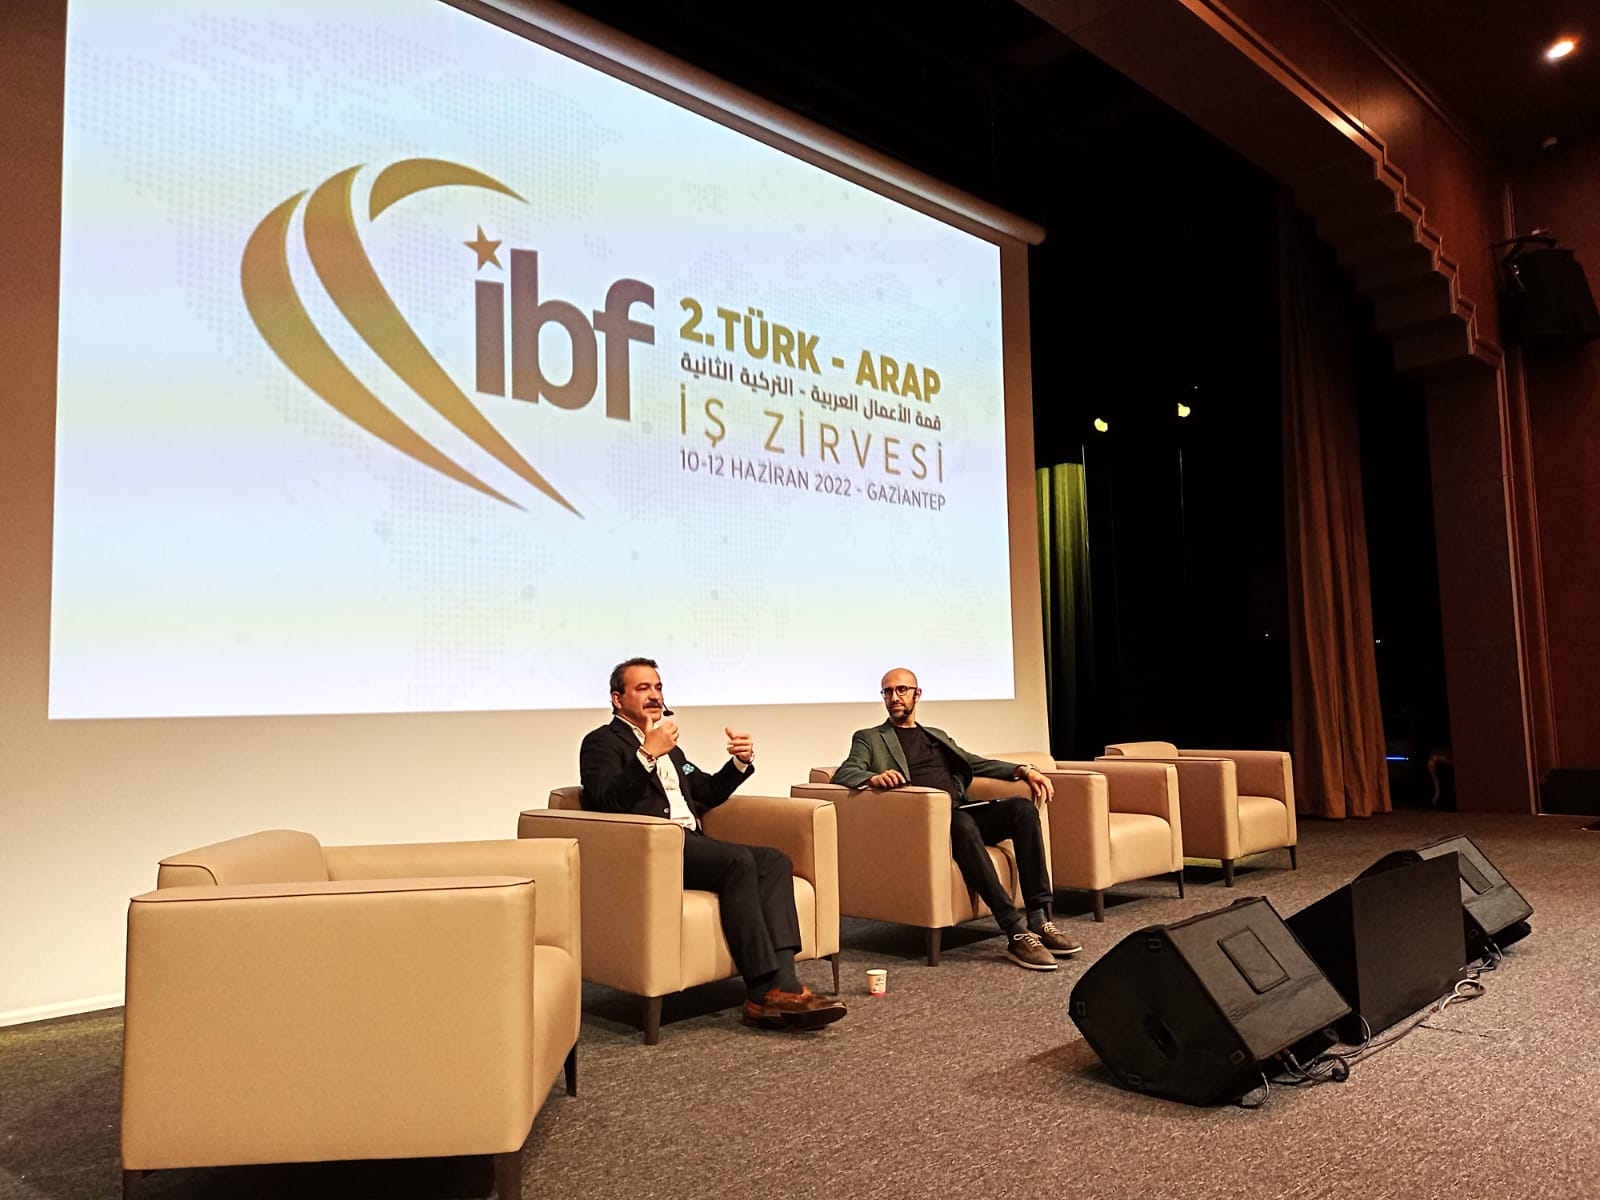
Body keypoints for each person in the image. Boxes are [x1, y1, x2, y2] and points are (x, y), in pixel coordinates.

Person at [579, 656, 846, 1031]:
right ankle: (761, 991)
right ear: (617, 699)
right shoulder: (601, 743)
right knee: (738, 861)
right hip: (653, 851)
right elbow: (607, 800)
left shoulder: (672, 749)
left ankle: (784, 983)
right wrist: (647, 754)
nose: (654, 695)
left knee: (775, 860)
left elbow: (705, 790)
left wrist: (740, 763)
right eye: (643, 688)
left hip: (691, 842)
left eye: (658, 687)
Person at [831, 667, 1083, 971]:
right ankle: (1014, 930)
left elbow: (975, 763)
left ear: (917, 694)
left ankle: (1039, 918)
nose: (894, 697)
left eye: (901, 690)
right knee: (962, 824)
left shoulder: (936, 735)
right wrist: (873, 778)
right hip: (928, 823)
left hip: (961, 809)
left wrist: (1023, 770)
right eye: (887, 692)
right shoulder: (870, 738)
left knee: (1022, 810)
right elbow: (845, 772)